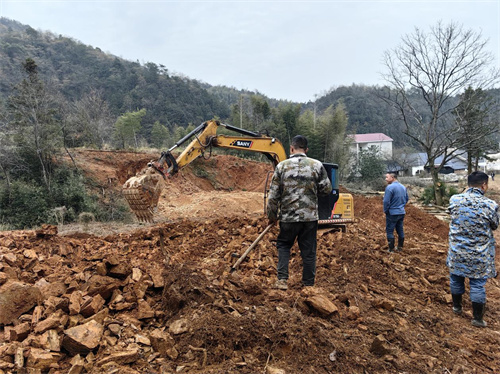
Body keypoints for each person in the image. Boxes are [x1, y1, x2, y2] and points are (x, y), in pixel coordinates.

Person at [266, 135, 332, 290]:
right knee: (309, 251)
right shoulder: (317, 165)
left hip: (288, 217)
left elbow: (273, 195)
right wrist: (311, 192)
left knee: (283, 245)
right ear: (306, 150)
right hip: (309, 217)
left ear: (291, 148)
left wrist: (272, 216)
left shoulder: (281, 167)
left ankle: (282, 280)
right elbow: (326, 189)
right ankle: (308, 284)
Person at [447, 171, 498, 328]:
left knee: (456, 278)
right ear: (484, 185)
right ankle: (477, 318)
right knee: (477, 285)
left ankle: (457, 307)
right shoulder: (490, 205)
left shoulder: (454, 199)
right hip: (479, 254)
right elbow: (495, 225)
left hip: (457, 251)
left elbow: (451, 215)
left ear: (469, 184)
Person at [383, 172, 409, 252]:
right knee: (400, 230)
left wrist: (386, 211)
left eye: (387, 177)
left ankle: (391, 249)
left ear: (392, 177)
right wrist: (401, 206)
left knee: (390, 231)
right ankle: (400, 247)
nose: (386, 179)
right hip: (401, 212)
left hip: (392, 213)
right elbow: (407, 198)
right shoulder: (403, 187)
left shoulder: (390, 188)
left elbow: (386, 201)